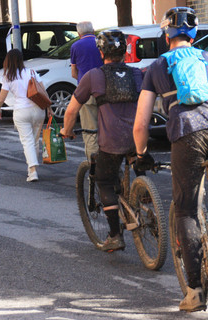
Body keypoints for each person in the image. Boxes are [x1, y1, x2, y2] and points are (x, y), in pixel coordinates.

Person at [133, 7, 208, 313]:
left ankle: (196, 291)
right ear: (194, 34)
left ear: (166, 34)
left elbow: (140, 124)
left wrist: (141, 153)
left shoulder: (157, 67)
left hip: (188, 134)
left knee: (185, 211)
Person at [61, 30, 143, 252]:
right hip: (139, 137)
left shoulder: (94, 76)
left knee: (104, 180)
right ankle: (146, 202)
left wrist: (66, 131)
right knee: (140, 163)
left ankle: (115, 235)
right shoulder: (137, 74)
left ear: (100, 52)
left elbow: (70, 112)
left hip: (112, 141)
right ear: (124, 52)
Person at [0, 49, 53, 182]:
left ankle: (33, 171)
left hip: (21, 112)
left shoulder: (8, 76)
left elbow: (1, 98)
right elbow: (43, 91)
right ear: (21, 60)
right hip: (38, 110)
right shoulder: (32, 72)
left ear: (8, 61)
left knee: (27, 141)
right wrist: (49, 107)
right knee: (34, 140)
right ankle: (31, 169)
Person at [70, 21, 103, 161]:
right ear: (93, 30)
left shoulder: (75, 46)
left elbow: (73, 72)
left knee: (90, 130)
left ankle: (94, 168)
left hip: (86, 92)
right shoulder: (101, 43)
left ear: (78, 34)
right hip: (105, 89)